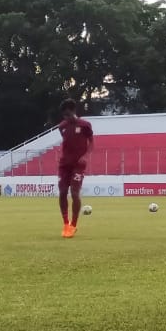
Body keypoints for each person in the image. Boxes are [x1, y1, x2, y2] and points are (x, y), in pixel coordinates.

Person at [57, 98, 93, 237]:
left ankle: (73, 225)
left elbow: (91, 142)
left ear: (73, 111)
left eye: (67, 114)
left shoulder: (85, 125)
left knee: (74, 192)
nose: (66, 118)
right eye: (64, 115)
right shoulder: (62, 126)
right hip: (64, 164)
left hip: (78, 164)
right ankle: (66, 223)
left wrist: (86, 155)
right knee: (62, 192)